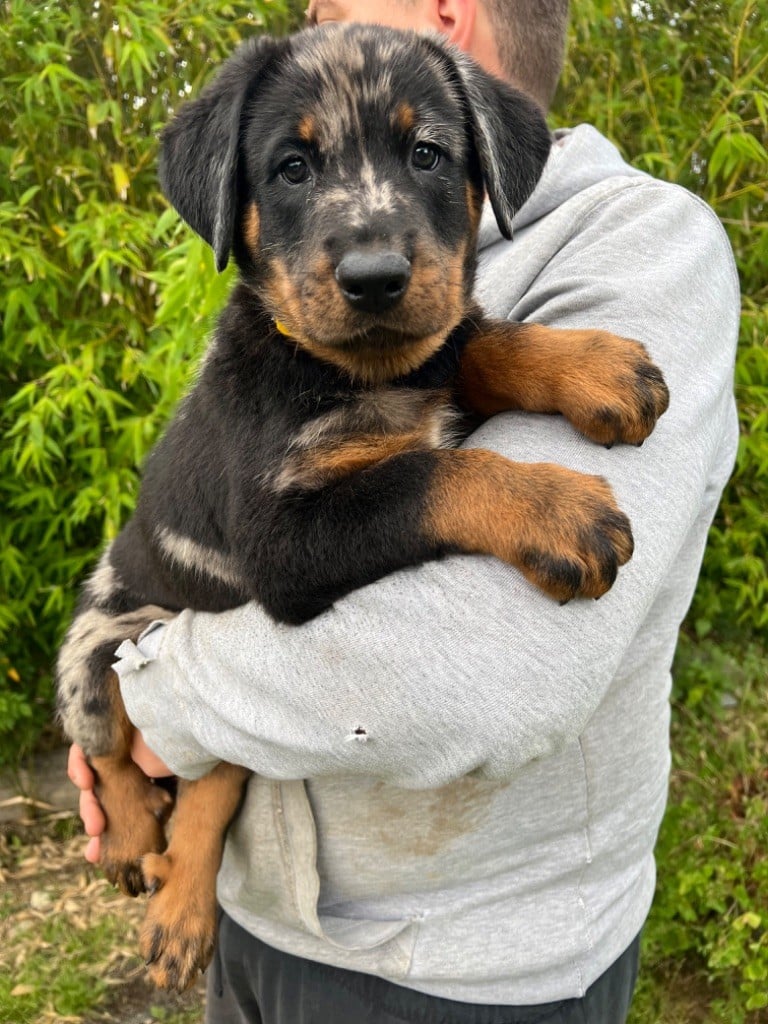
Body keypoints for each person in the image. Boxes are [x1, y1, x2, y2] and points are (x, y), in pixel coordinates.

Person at [68, 0, 740, 1021]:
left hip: (465, 975)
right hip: (256, 906)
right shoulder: (268, 355)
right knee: (94, 677)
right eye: (294, 169)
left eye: (423, 157)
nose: (372, 249)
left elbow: (483, 675)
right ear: (232, 206)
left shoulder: (642, 244)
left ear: (448, 18)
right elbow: (301, 543)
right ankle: (141, 820)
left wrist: (168, 709)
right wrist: (130, 751)